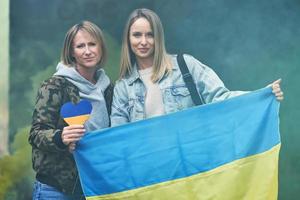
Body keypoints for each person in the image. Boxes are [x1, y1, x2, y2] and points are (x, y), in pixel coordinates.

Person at [110, 8, 283, 126]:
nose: (143, 42)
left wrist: (260, 95)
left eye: (150, 35)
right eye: (137, 35)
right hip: (150, 169)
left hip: (190, 163)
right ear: (128, 39)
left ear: (159, 38)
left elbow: (221, 97)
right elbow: (118, 137)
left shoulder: (185, 65)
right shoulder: (123, 87)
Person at [29, 21, 114, 200]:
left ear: (101, 47)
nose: (88, 51)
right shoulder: (54, 86)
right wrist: (61, 137)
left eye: (92, 44)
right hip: (55, 189)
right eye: (80, 46)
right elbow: (36, 134)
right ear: (71, 52)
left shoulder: (108, 89)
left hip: (94, 187)